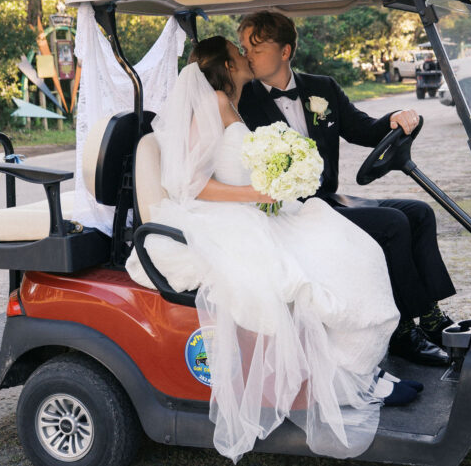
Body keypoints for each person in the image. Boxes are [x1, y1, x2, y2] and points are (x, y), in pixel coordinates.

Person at [126, 36, 419, 463]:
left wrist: (281, 181)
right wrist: (255, 191)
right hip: (225, 218)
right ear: (228, 65)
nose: (246, 57)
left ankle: (360, 368)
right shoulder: (211, 105)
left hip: (252, 210)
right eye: (239, 52)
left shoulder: (231, 103)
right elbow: (190, 184)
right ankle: (348, 379)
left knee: (354, 248)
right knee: (316, 272)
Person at [236, 12, 456, 366]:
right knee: (392, 224)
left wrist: (395, 117)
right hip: (289, 211)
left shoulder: (322, 88)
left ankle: (429, 315)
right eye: (245, 48)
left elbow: (363, 129)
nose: (247, 56)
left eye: (256, 49)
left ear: (285, 51)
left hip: (326, 200)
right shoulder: (241, 102)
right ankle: (401, 330)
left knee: (418, 213)